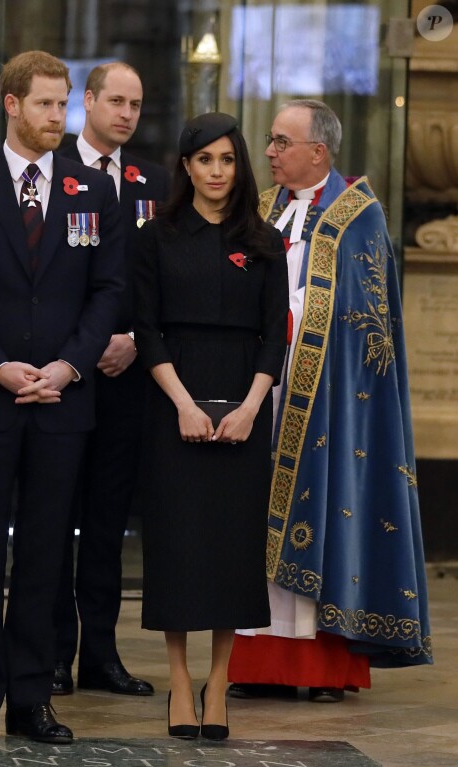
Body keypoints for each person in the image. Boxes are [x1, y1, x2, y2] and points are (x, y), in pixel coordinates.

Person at [0, 50, 124, 745]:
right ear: (12, 104)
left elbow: (107, 289)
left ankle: (33, 698)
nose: (57, 117)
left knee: (47, 554)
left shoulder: (90, 190)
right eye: (45, 104)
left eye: (63, 103)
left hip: (63, 404)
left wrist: (71, 365)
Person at [228, 99, 433, 704]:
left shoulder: (358, 215)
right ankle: (252, 658)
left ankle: (321, 665)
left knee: (327, 506)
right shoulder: (262, 208)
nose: (268, 152)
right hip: (259, 388)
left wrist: (293, 324)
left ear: (317, 152)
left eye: (280, 142)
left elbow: (368, 324)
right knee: (250, 516)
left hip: (328, 397)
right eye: (269, 141)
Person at [133, 112, 289, 740]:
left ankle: (219, 679)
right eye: (205, 160)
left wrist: (251, 408)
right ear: (186, 167)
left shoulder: (265, 240)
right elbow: (145, 330)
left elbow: (274, 336)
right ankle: (178, 677)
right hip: (174, 398)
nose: (217, 172)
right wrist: (184, 405)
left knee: (230, 548)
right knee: (177, 545)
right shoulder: (155, 236)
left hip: (245, 400)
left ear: (239, 165)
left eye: (227, 160)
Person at [53, 62, 170, 697]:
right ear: (88, 102)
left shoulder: (152, 180)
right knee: (53, 517)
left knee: (105, 522)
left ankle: (100, 654)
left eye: (137, 103)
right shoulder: (54, 172)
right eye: (116, 101)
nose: (127, 113)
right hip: (66, 372)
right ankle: (50, 654)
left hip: (128, 373)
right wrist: (86, 346)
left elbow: (160, 280)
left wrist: (133, 340)